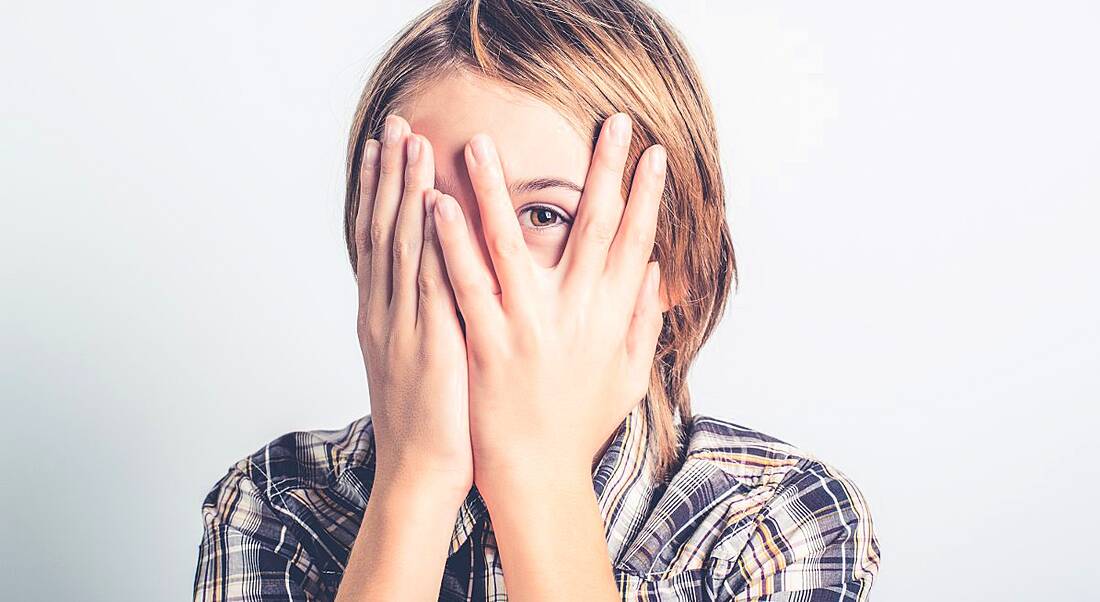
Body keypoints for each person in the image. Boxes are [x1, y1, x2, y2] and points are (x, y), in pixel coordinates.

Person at [192, 0, 882, 600]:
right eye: (428, 215)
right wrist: (416, 482)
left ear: (669, 262)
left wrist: (537, 470)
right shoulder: (274, 507)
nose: (476, 272)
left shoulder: (776, 526)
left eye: (544, 215)